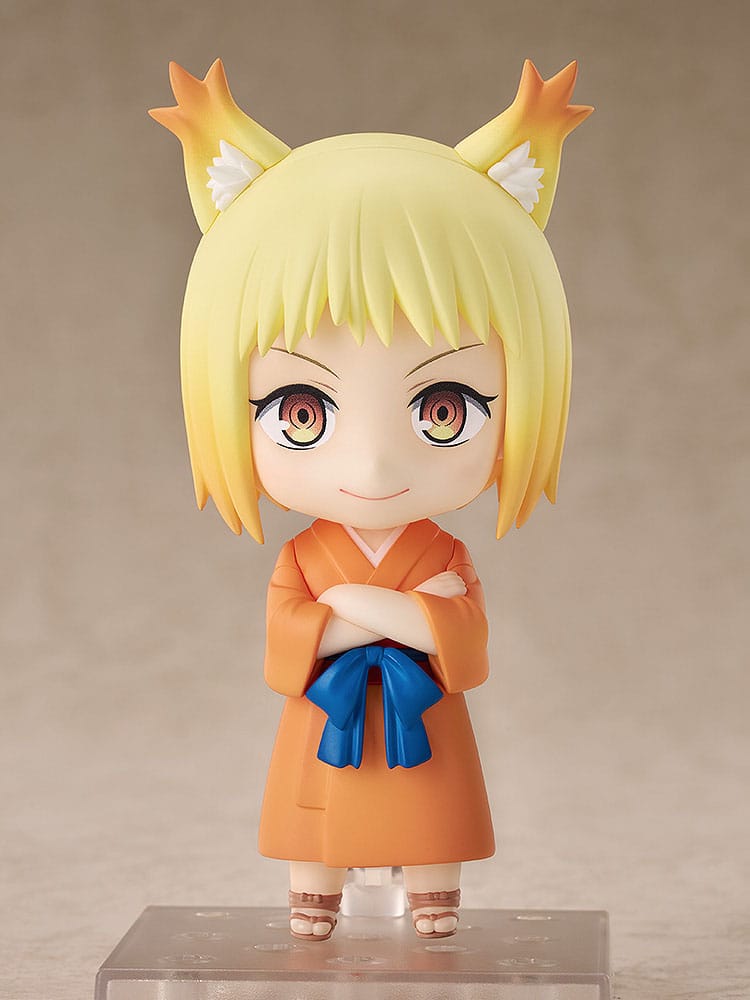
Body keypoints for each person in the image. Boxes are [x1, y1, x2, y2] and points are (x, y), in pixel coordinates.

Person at [150, 57, 591, 940]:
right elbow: (288, 649)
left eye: (443, 409)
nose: (377, 460)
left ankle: (433, 902)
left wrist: (351, 611)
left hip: (423, 720)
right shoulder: (313, 558)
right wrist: (383, 610)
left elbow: (465, 648)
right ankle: (314, 901)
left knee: (430, 814)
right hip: (328, 722)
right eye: (301, 411)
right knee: (318, 818)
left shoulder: (444, 554)